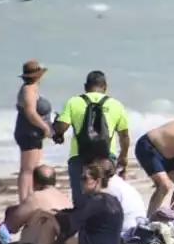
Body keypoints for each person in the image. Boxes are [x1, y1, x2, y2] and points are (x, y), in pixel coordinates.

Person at [16, 157, 125, 244]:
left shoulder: (96, 201)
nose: (81, 182)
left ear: (96, 181)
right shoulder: (111, 199)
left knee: (50, 224)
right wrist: (54, 213)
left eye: (84, 178)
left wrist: (46, 214)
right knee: (55, 230)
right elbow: (77, 214)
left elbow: (69, 222)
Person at [52, 70, 131, 209]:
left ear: (85, 86)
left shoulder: (74, 102)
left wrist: (57, 125)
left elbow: (61, 128)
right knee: (106, 199)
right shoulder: (116, 105)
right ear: (105, 86)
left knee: (80, 201)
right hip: (106, 158)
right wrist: (123, 156)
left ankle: (84, 227)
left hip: (79, 157)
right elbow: (124, 136)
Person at [13, 60, 53, 203]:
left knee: (32, 168)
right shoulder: (28, 89)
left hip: (33, 133)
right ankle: (24, 200)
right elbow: (30, 112)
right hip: (28, 132)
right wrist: (45, 127)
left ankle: (30, 197)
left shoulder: (32, 88)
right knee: (27, 170)